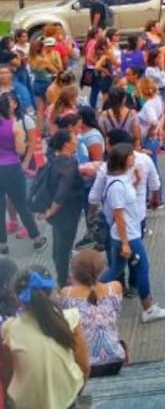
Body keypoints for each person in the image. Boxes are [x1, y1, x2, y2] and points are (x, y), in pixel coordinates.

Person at [97, 143, 165, 322]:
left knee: (116, 268)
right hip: (128, 235)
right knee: (142, 269)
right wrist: (124, 243)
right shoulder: (117, 185)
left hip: (127, 233)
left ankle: (90, 293)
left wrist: (137, 181)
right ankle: (148, 307)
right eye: (131, 155)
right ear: (124, 160)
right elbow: (119, 215)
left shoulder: (122, 180)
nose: (135, 157)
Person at [2, 266, 89, 408]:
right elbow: (85, 366)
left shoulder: (9, 329)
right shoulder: (69, 318)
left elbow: (7, 372)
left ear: (17, 297)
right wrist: (77, 391)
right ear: (52, 290)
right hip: (66, 400)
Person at [60, 249, 127, 377]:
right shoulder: (115, 288)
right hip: (116, 360)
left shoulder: (66, 294)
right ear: (101, 270)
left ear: (74, 273)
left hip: (87, 365)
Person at [37, 129, 85, 287]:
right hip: (67, 213)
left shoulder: (54, 158)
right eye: (74, 139)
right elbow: (62, 192)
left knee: (59, 246)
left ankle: (62, 277)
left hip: (57, 214)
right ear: (67, 144)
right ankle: (63, 282)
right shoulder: (69, 163)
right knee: (63, 248)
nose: (77, 141)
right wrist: (52, 210)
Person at [0, 94, 45, 253]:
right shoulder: (14, 125)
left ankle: (3, 245)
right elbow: (20, 149)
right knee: (21, 204)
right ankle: (36, 239)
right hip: (12, 167)